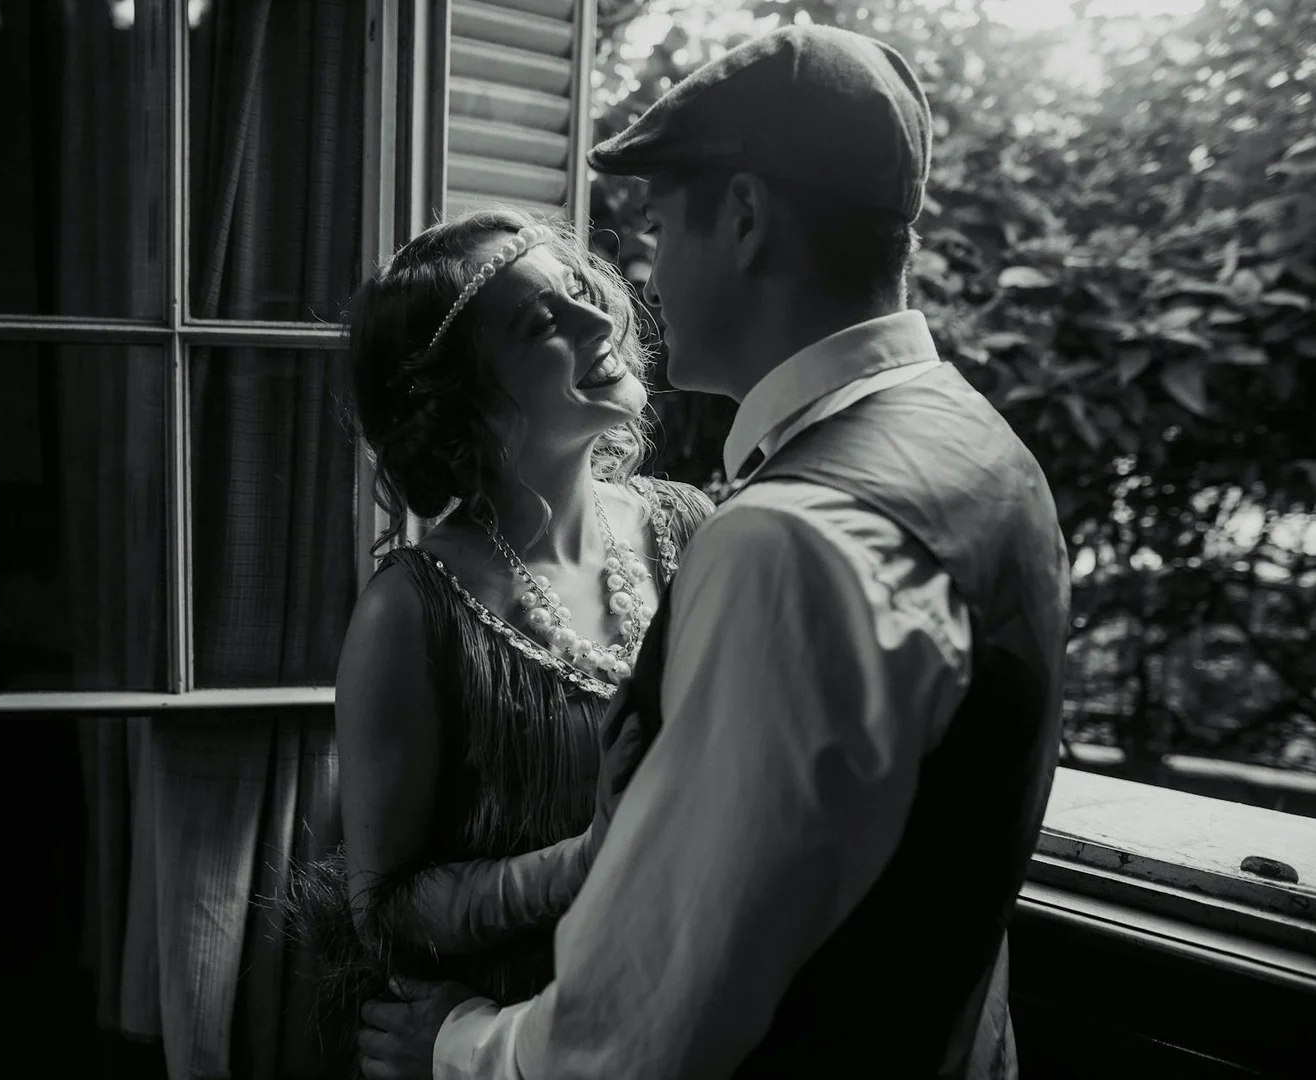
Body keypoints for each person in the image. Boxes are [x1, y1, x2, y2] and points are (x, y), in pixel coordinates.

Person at [355, 24, 1071, 1080]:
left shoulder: (780, 539)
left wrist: (461, 1047)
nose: (633, 289)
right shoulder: (980, 445)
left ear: (743, 216)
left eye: (654, 227)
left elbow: (648, 1026)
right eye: (543, 319)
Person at [274, 209, 716, 1077]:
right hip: (498, 1038)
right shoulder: (411, 613)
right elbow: (384, 908)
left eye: (583, 289)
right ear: (465, 398)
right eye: (543, 321)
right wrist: (585, 860)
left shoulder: (691, 526)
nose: (601, 318)